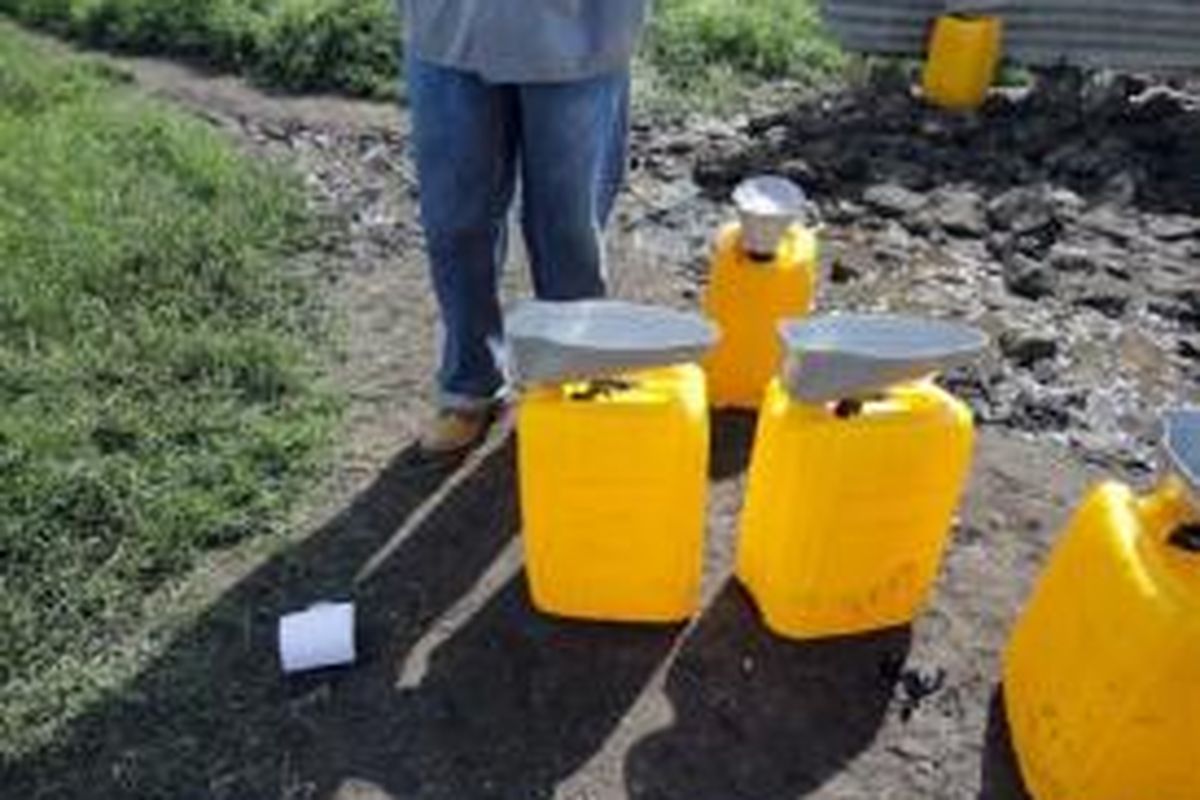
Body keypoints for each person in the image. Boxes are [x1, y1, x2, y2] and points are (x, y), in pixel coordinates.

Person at [400, 1, 650, 454]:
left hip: (582, 33)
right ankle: (470, 386)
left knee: (568, 227)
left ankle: (569, 383)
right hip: (451, 26)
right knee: (457, 222)